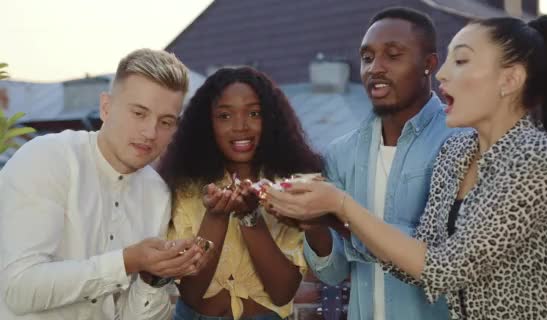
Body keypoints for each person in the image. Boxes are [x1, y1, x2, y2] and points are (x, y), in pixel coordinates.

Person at [264, 15, 547, 319]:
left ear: (509, 79)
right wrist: (329, 218)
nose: (442, 74)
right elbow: (417, 265)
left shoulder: (538, 156)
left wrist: (341, 205)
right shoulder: (457, 153)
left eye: (462, 60)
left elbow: (445, 269)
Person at [0, 49, 210, 320]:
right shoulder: (47, 158)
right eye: (139, 113)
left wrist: (154, 277)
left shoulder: (156, 193)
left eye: (165, 122)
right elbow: (18, 288)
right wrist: (126, 261)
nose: (150, 132)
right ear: (106, 107)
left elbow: (128, 315)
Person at [298, 7, 455, 320]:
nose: (375, 68)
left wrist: (345, 216)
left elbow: (443, 256)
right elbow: (332, 272)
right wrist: (313, 222)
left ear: (429, 64)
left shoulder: (461, 143)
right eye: (367, 57)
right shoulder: (340, 153)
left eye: (393, 55)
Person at [157, 67, 324, 320]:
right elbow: (191, 294)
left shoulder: (288, 187)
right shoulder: (185, 187)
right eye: (224, 116)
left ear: (270, 119)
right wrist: (215, 217)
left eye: (254, 113)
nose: (240, 126)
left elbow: (283, 293)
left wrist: (251, 218)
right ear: (207, 124)